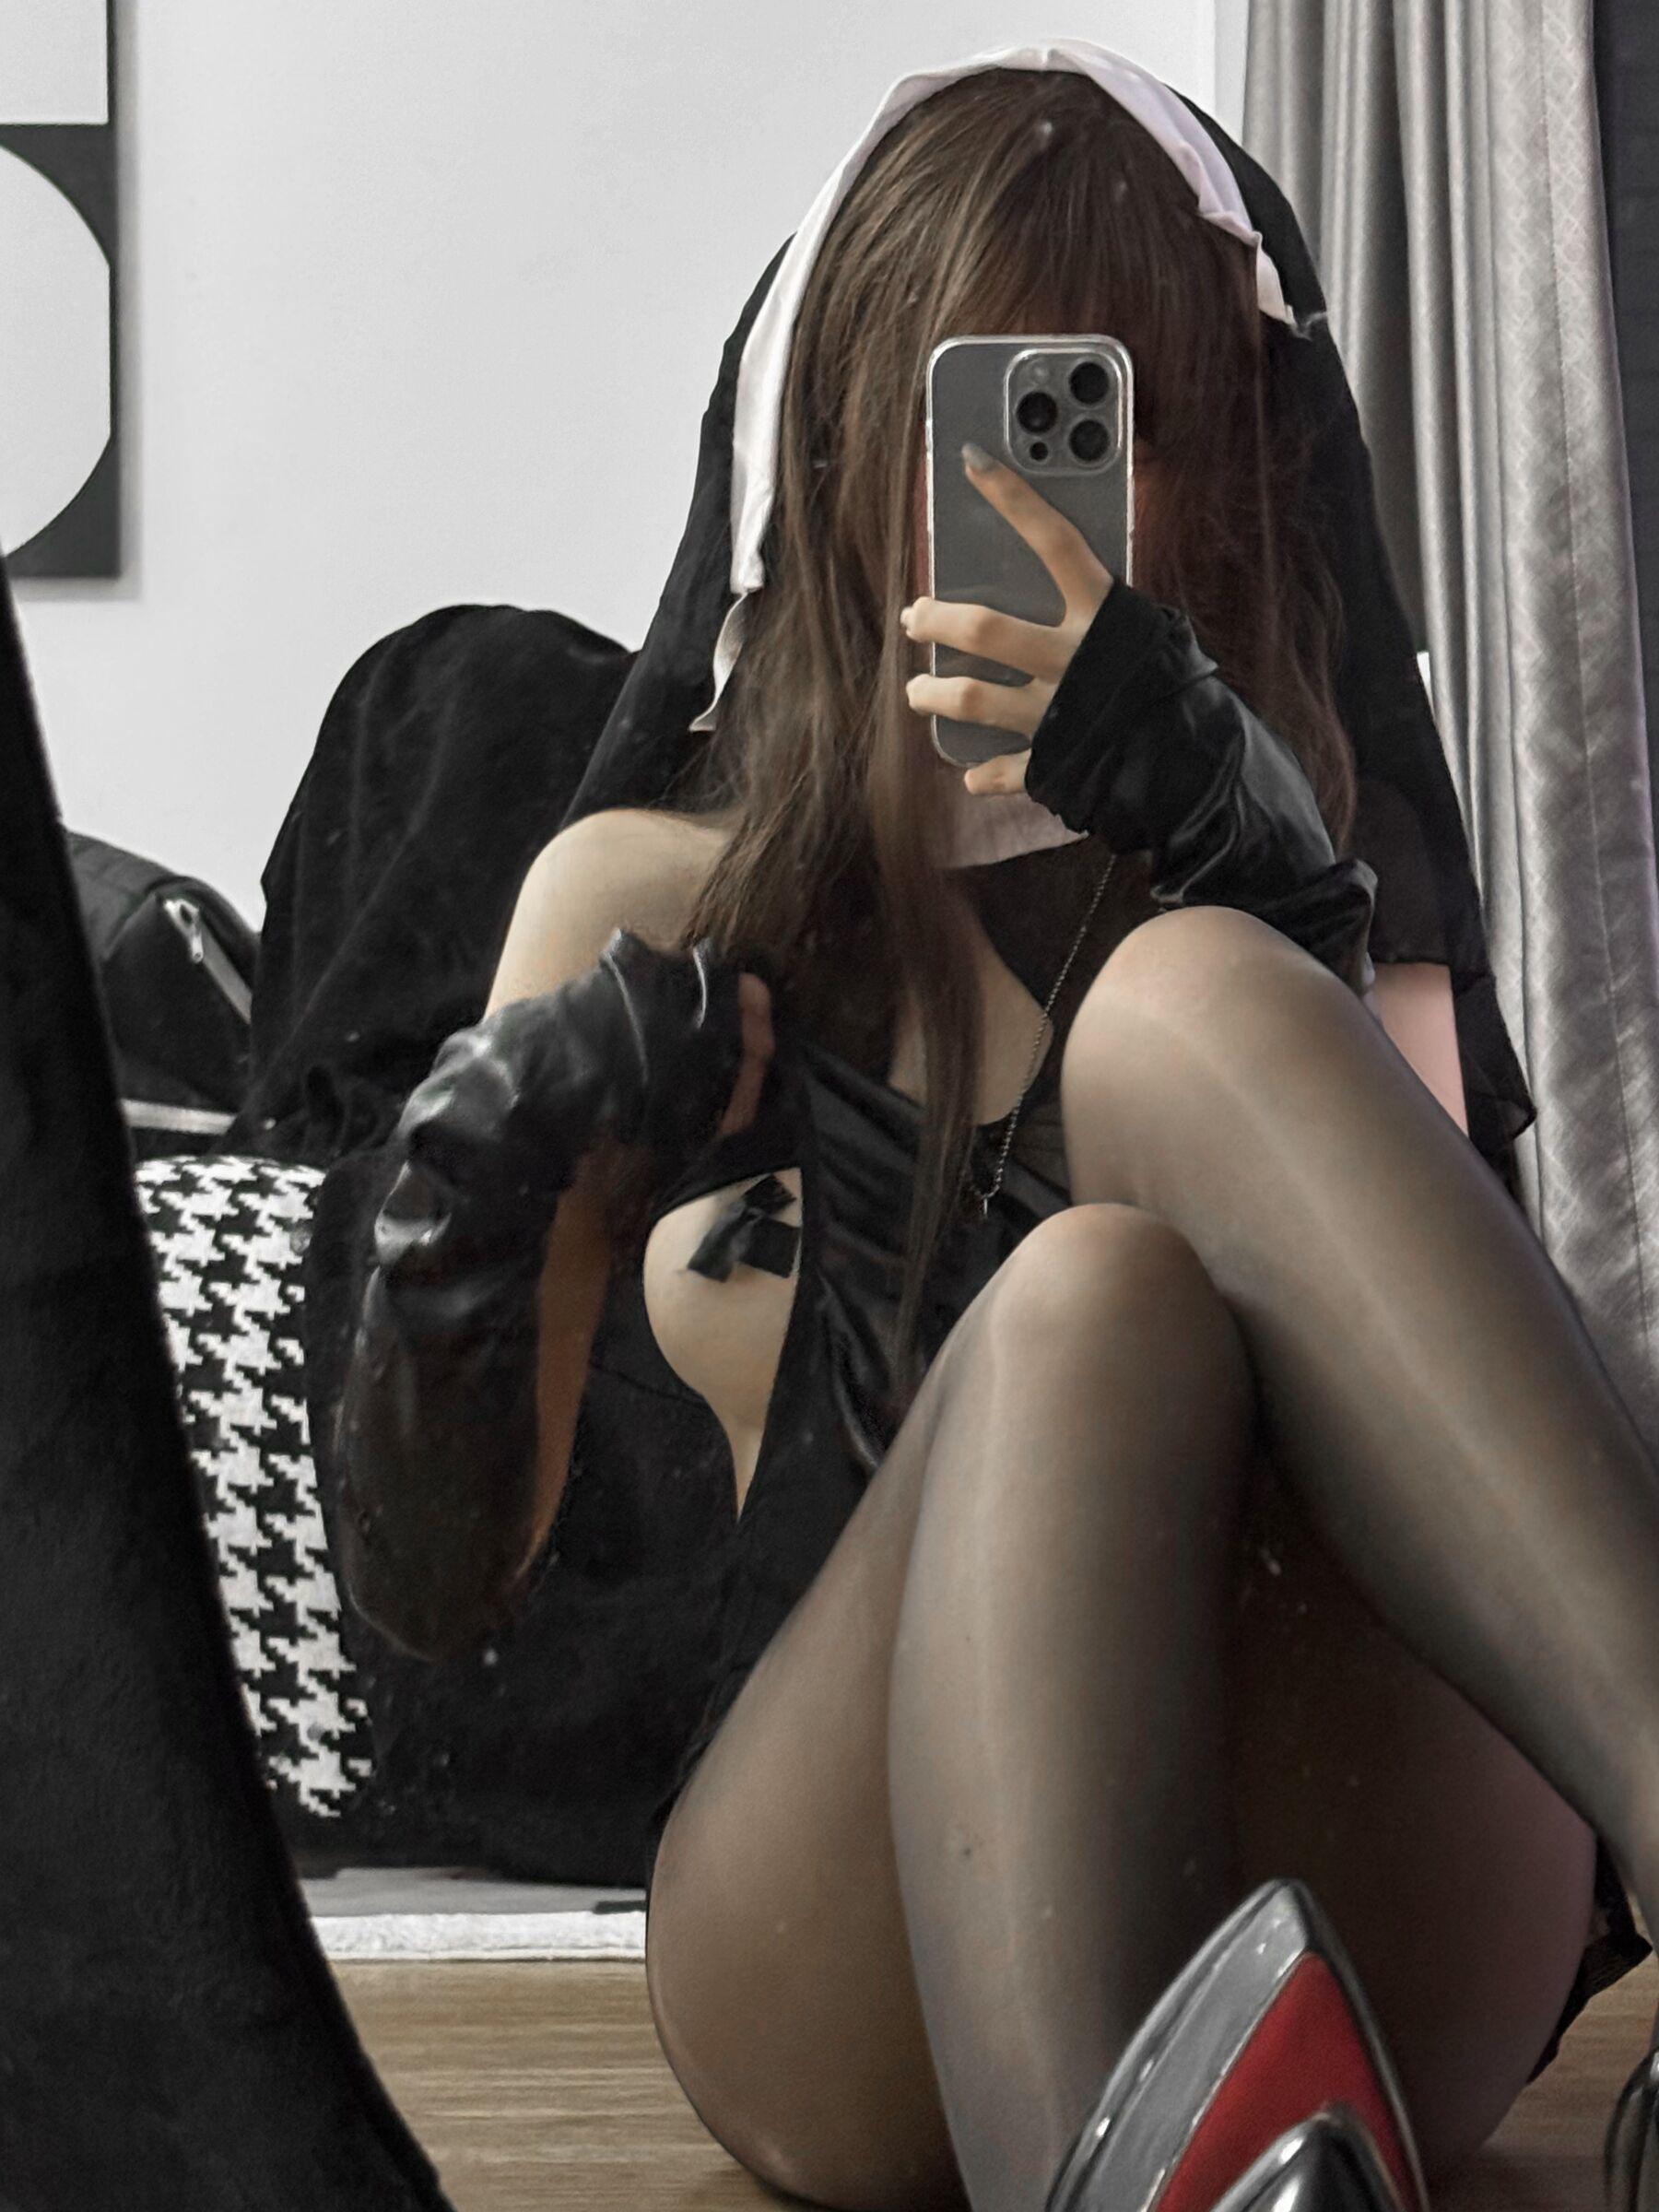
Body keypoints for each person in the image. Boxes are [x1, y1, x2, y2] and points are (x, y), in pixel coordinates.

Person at [329, 44, 1659, 2212]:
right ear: (844, 444)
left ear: (1225, 466)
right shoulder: (651, 908)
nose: (1044, 504)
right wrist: (469, 1227)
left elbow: (1479, 1459)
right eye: (979, 419)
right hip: (850, 1940)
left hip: (1368, 1875)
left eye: (1104, 419)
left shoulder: (1316, 889)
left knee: (1195, 1004)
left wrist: (1266, 881)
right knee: (1085, 1302)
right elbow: (429, 1601)